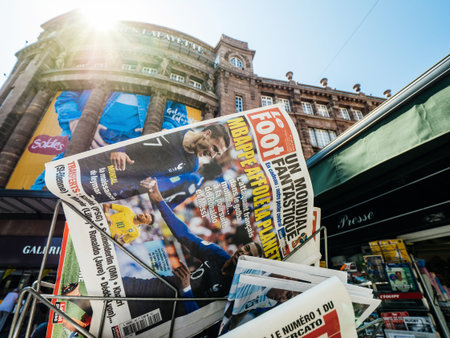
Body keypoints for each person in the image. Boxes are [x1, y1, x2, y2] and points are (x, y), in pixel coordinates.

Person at [120, 177, 262, 321]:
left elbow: (200, 321)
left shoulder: (232, 290)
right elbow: (184, 234)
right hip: (160, 286)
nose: (244, 252)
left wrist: (186, 289)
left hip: (170, 311)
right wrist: (160, 201)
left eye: (249, 254)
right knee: (118, 287)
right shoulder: (217, 254)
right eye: (246, 248)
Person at [78, 123, 231, 202]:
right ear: (207, 134)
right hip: (100, 164)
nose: (213, 155)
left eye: (217, 154)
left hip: (113, 185)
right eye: (215, 148)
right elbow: (130, 130)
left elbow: (158, 176)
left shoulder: (193, 166)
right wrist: (121, 149)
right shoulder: (174, 128)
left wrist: (149, 185)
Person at [31, 90, 151, 190]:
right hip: (86, 140)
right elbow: (68, 95)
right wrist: (74, 119)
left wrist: (165, 127)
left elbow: (169, 113)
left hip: (128, 148)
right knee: (49, 187)